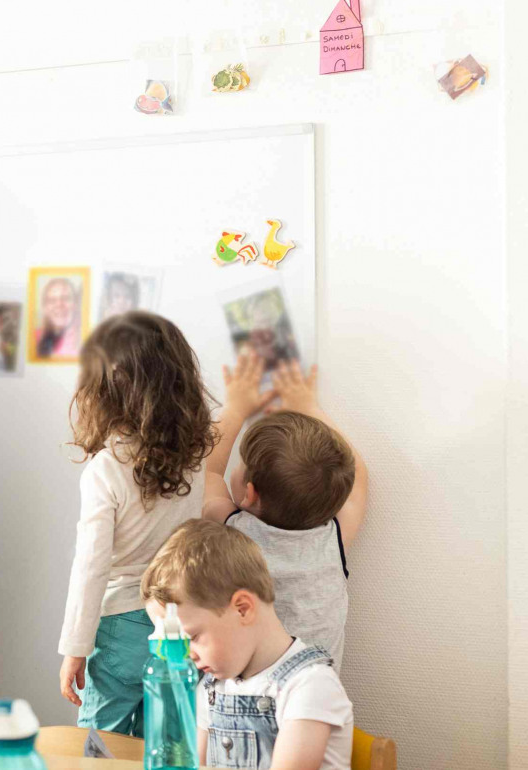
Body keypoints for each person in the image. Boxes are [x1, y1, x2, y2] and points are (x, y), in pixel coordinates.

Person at [57, 311, 215, 736]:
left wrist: (75, 648)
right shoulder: (194, 460)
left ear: (104, 390)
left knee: (100, 742)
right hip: (177, 621)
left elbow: (90, 566)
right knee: (163, 741)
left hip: (119, 625)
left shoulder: (106, 470)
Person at [142, 519, 354, 769]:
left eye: (193, 638)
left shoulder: (309, 686)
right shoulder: (212, 689)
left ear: (242, 609)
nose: (189, 656)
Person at [203, 355, 369, 670]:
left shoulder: (232, 530)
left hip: (246, 703)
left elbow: (207, 472)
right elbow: (358, 478)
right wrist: (308, 405)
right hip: (316, 705)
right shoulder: (333, 539)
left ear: (248, 493)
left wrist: (236, 409)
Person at [35, 277, 81, 358]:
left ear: (76, 304)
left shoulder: (83, 338)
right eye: (52, 300)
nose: (59, 304)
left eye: (66, 298)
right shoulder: (34, 338)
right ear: (45, 308)